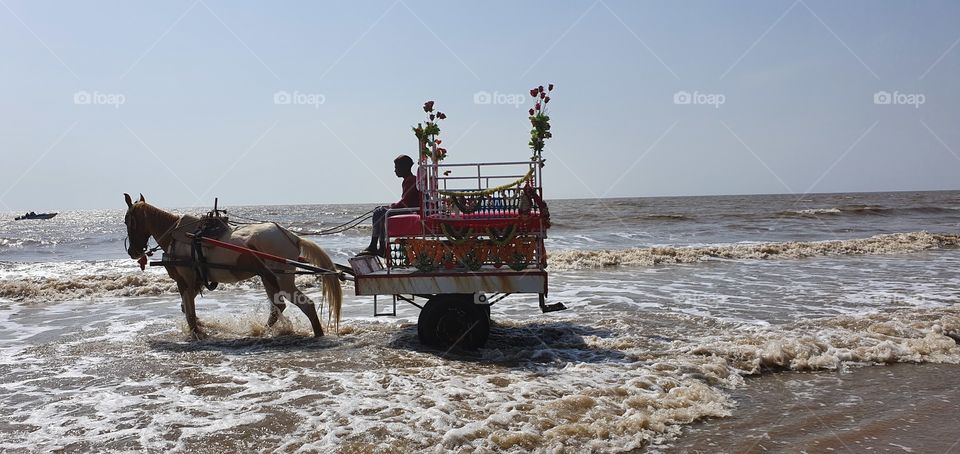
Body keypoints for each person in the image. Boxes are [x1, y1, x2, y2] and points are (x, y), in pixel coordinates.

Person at [359, 155, 421, 256]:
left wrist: (392, 207)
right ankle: (382, 246)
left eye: (397, 168)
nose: (395, 170)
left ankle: (374, 245)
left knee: (379, 212)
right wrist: (392, 206)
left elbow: (405, 202)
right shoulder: (409, 180)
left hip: (410, 210)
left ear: (405, 167)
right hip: (409, 209)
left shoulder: (410, 180)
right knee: (379, 211)